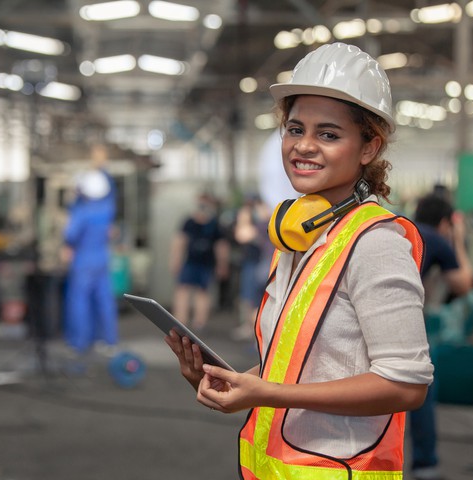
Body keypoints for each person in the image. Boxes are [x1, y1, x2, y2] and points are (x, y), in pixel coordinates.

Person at [165, 42, 433, 479]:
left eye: (328, 134)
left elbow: (406, 385)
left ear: (368, 148)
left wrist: (266, 392)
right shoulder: (299, 236)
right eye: (294, 129)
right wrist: (234, 382)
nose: (303, 146)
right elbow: (302, 365)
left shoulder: (375, 243)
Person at [410, 191, 473, 480]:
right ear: (445, 223)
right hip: (404, 323)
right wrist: (457, 239)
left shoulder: (401, 228)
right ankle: (425, 465)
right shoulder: (436, 239)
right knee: (420, 388)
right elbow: (463, 285)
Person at [62, 168, 119, 357]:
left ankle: (79, 343)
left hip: (83, 260)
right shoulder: (107, 208)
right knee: (104, 301)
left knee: (79, 301)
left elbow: (70, 234)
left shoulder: (82, 211)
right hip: (102, 258)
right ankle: (108, 341)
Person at [169, 193, 230, 332]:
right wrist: (175, 260)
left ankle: (199, 322)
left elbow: (221, 246)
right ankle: (180, 320)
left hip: (206, 263)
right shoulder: (189, 222)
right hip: (190, 262)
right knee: (183, 290)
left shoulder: (215, 224)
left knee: (202, 293)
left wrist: (222, 265)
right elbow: (179, 241)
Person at [231, 193, 272, 341]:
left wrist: (244, 216)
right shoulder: (267, 223)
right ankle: (256, 332)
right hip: (260, 264)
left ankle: (258, 335)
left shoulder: (264, 224)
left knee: (257, 302)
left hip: (262, 266)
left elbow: (241, 235)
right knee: (255, 301)